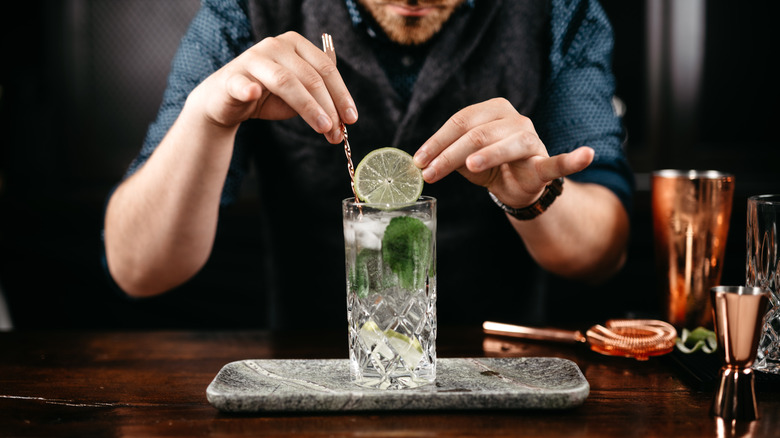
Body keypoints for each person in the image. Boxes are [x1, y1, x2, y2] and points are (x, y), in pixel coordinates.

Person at [102, 0, 633, 328]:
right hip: (303, 381)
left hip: (502, 382)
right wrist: (208, 118)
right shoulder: (244, 9)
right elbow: (139, 269)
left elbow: (603, 255)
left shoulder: (561, 9)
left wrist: (533, 198)